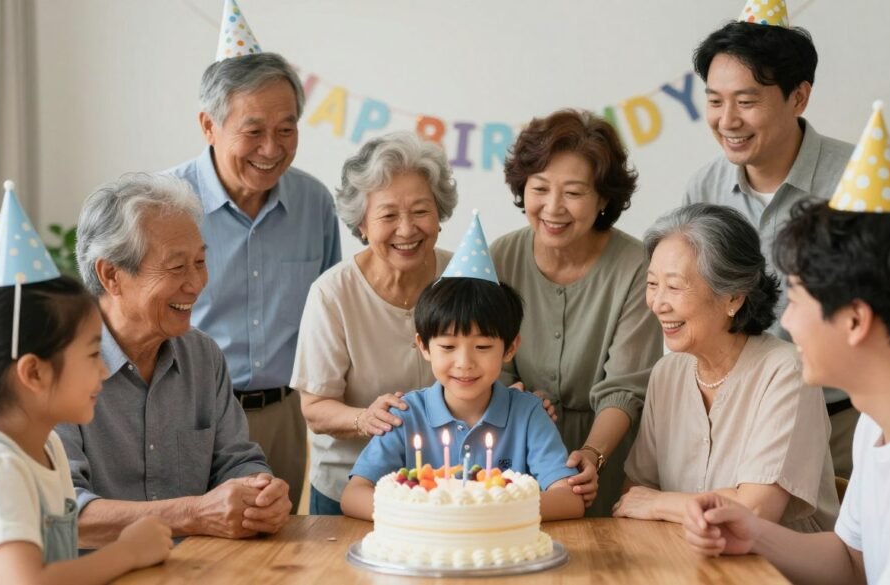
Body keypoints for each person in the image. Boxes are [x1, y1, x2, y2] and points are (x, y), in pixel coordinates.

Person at [683, 103, 890, 585]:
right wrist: (753, 535)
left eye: (795, 298)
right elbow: (851, 561)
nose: (786, 320)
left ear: (856, 319)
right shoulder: (878, 417)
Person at [683, 13, 890, 478]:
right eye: (714, 101)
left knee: (850, 546)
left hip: (848, 420)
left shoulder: (861, 182)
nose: (727, 120)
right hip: (742, 423)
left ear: (799, 97)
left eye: (746, 101)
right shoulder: (704, 189)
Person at [0, 184, 171, 584]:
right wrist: (128, 552)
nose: (104, 371)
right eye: (91, 355)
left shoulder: (47, 446)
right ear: (34, 373)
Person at [57, 173, 290, 547]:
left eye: (200, 261)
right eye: (177, 266)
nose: (197, 283)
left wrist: (260, 491)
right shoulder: (56, 368)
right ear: (111, 275)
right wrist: (195, 513)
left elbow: (236, 461)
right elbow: (64, 514)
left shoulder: (202, 356)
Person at [167, 20, 341, 510]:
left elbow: (326, 318)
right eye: (254, 131)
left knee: (275, 552)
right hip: (189, 410)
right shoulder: (163, 207)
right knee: (190, 550)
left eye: (286, 130)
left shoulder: (314, 203)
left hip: (283, 413)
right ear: (208, 125)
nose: (272, 148)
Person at [341, 215, 590, 521]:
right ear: (423, 346)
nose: (464, 363)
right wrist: (423, 514)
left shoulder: (527, 414)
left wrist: (484, 511)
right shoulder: (405, 416)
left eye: (483, 347)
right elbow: (353, 495)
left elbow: (569, 499)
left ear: (510, 348)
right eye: (447, 347)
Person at [612, 203, 837, 533]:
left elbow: (754, 512)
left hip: (778, 572)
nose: (658, 303)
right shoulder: (667, 373)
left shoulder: (786, 372)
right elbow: (634, 493)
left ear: (733, 297)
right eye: (652, 284)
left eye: (674, 287)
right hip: (690, 562)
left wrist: (661, 504)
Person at [491, 109, 663, 515]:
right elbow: (489, 364)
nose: (553, 208)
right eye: (540, 188)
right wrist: (514, 399)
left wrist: (593, 454)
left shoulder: (638, 265)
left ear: (603, 197)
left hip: (604, 458)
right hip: (516, 458)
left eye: (573, 192)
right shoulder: (498, 256)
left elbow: (626, 386)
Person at [291, 132, 457, 514]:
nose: (406, 229)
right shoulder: (332, 294)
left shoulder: (462, 280)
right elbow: (315, 408)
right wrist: (364, 418)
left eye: (420, 211)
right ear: (362, 224)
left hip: (445, 489)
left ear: (439, 215)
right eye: (388, 215)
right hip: (351, 492)